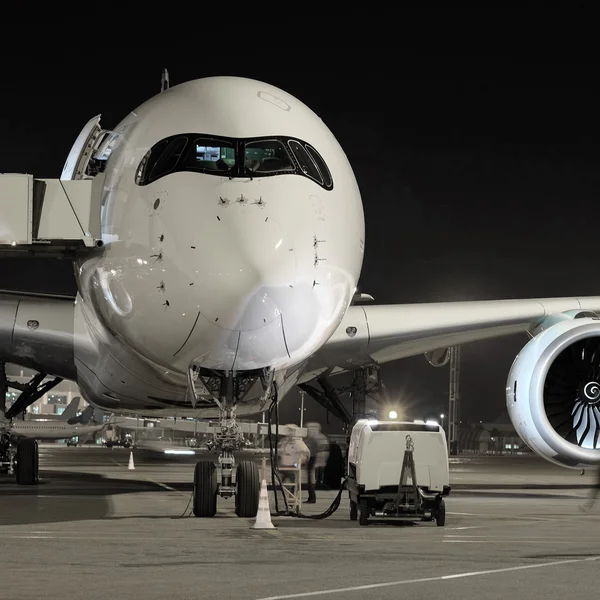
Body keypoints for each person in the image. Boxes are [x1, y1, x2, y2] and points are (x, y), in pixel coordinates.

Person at [304, 422, 330, 503]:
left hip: (312, 459)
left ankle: (312, 498)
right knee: (313, 478)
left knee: (311, 479)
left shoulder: (312, 439)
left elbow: (307, 448)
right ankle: (312, 496)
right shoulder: (322, 437)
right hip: (315, 460)